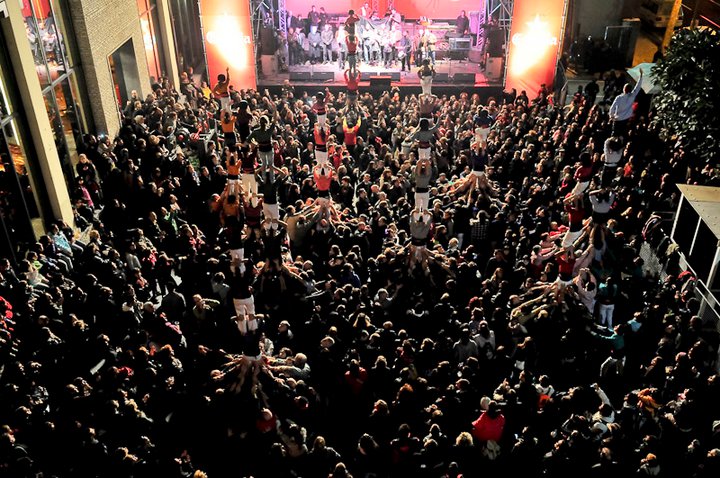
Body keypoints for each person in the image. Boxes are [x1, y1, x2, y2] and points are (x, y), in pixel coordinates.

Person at [609, 68, 643, 137]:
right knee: (623, 135)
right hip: (626, 119)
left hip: (617, 119)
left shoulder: (619, 97)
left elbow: (612, 107)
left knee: (614, 135)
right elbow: (637, 87)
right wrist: (641, 76)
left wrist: (611, 115)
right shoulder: (632, 96)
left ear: (624, 89)